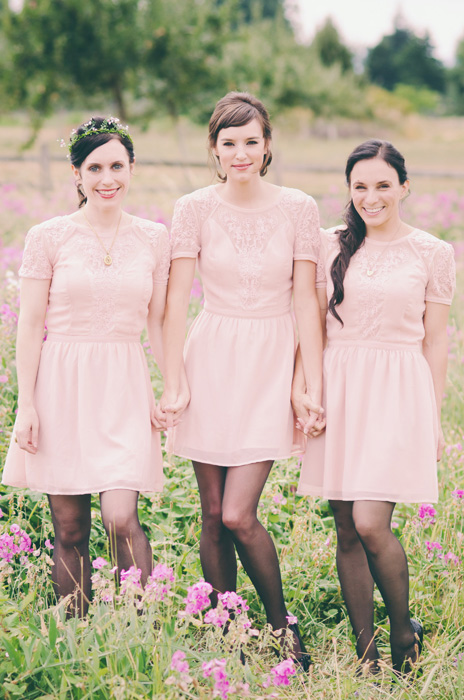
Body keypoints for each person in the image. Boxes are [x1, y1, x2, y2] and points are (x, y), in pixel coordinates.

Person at [158, 92, 323, 666]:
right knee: (210, 513)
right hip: (211, 359)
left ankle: (283, 628)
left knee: (237, 513)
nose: (241, 153)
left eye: (251, 141)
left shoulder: (299, 207)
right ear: (214, 149)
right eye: (229, 143)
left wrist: (307, 381)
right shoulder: (193, 208)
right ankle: (229, 627)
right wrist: (173, 379)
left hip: (270, 364)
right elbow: (176, 303)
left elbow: (308, 301)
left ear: (268, 145)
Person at [293, 139, 456, 675]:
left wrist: (431, 416)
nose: (371, 196)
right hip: (339, 388)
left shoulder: (432, 251)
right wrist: (307, 388)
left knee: (369, 522)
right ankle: (366, 652)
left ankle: (403, 633)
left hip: (397, 394)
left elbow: (436, 342)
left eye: (383, 185)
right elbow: (311, 325)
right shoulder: (329, 244)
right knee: (344, 526)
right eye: (360, 186)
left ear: (404, 187)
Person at [2, 116, 170, 616]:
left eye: (117, 165)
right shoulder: (48, 237)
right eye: (94, 167)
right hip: (60, 385)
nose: (107, 178)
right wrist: (25, 406)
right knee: (69, 528)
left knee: (121, 516)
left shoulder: (154, 238)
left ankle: (136, 626)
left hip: (123, 384)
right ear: (76, 174)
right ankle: (76, 632)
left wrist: (173, 386)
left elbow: (159, 322)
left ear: (132, 167)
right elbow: (30, 325)